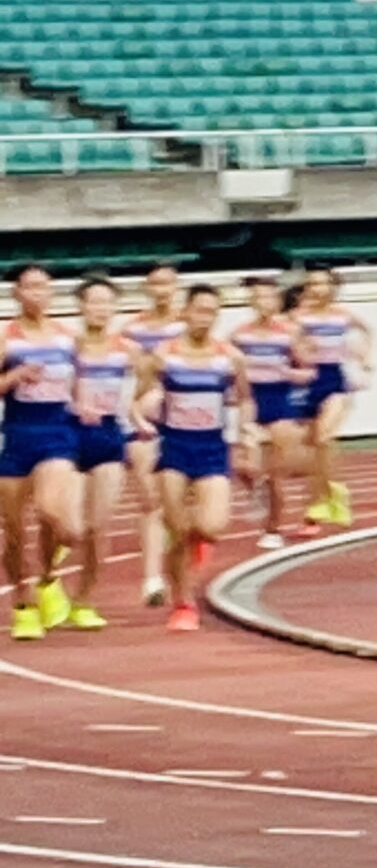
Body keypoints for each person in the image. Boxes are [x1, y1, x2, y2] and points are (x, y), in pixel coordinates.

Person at [131, 285, 252, 633]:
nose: (204, 318)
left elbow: (245, 400)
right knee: (178, 528)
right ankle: (184, 603)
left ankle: (192, 550)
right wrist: (143, 418)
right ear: (185, 312)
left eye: (211, 312)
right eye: (199, 310)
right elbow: (139, 399)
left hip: (212, 447)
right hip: (175, 447)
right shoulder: (163, 356)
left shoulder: (230, 357)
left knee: (212, 525)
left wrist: (247, 434)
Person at [1, 267, 84, 640]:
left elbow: (82, 382)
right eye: (31, 287)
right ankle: (23, 604)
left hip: (57, 433)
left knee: (53, 511)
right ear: (17, 293)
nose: (39, 293)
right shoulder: (7, 338)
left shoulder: (67, 338)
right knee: (15, 531)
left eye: (45, 287)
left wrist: (85, 407)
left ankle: (49, 578)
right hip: (16, 437)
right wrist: (14, 378)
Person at [62, 277, 137, 631]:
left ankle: (84, 600)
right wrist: (74, 404)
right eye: (93, 302)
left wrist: (139, 411)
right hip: (70, 434)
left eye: (107, 302)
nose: (100, 309)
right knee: (70, 527)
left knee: (97, 527)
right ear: (81, 306)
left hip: (108, 436)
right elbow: (54, 385)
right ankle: (48, 581)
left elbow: (152, 384)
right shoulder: (68, 346)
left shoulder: (126, 348)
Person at [118, 263, 186, 607]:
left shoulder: (188, 327)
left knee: (181, 500)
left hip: (183, 422)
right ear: (147, 288)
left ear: (177, 287)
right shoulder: (132, 330)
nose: (162, 290)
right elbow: (126, 376)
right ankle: (152, 579)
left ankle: (182, 548)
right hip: (142, 419)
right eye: (155, 284)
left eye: (168, 283)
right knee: (150, 500)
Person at [229, 277, 306, 552]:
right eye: (258, 297)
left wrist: (290, 374)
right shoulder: (239, 335)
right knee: (243, 466)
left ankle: (273, 529)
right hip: (251, 401)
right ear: (252, 302)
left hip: (280, 402)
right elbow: (229, 370)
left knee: (277, 474)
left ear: (276, 302)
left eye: (268, 297)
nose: (263, 303)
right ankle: (255, 489)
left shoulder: (289, 333)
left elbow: (308, 369)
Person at [292, 266, 371, 534]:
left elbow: (367, 331)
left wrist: (365, 360)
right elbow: (288, 345)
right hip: (307, 381)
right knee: (314, 449)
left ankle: (326, 502)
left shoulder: (343, 316)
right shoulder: (298, 317)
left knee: (323, 438)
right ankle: (323, 502)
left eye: (322, 284)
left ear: (332, 288)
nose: (317, 289)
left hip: (333, 379)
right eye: (312, 284)